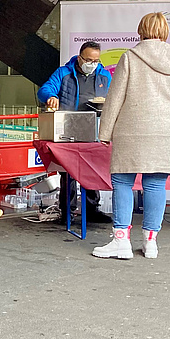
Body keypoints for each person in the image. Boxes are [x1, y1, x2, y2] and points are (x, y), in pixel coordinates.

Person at [92, 12, 170, 260]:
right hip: (165, 135)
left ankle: (121, 242)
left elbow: (115, 99)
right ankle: (150, 242)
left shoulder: (130, 58)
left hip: (131, 131)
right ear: (165, 33)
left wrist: (105, 131)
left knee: (123, 183)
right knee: (156, 185)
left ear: (141, 30)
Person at [37, 41, 113, 223]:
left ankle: (92, 209)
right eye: (88, 60)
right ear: (80, 58)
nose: (92, 64)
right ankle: (67, 211)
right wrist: (51, 97)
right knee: (68, 171)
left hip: (94, 128)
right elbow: (44, 90)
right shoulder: (63, 73)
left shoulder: (104, 75)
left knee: (92, 169)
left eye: (96, 60)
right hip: (68, 127)